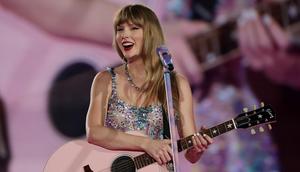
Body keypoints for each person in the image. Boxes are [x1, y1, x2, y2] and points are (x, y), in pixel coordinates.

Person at [85, 4, 213, 169]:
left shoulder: (177, 83)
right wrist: (146, 144)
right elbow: (94, 132)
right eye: (120, 30)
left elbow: (190, 154)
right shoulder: (105, 79)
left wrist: (198, 148)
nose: (125, 35)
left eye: (134, 28)